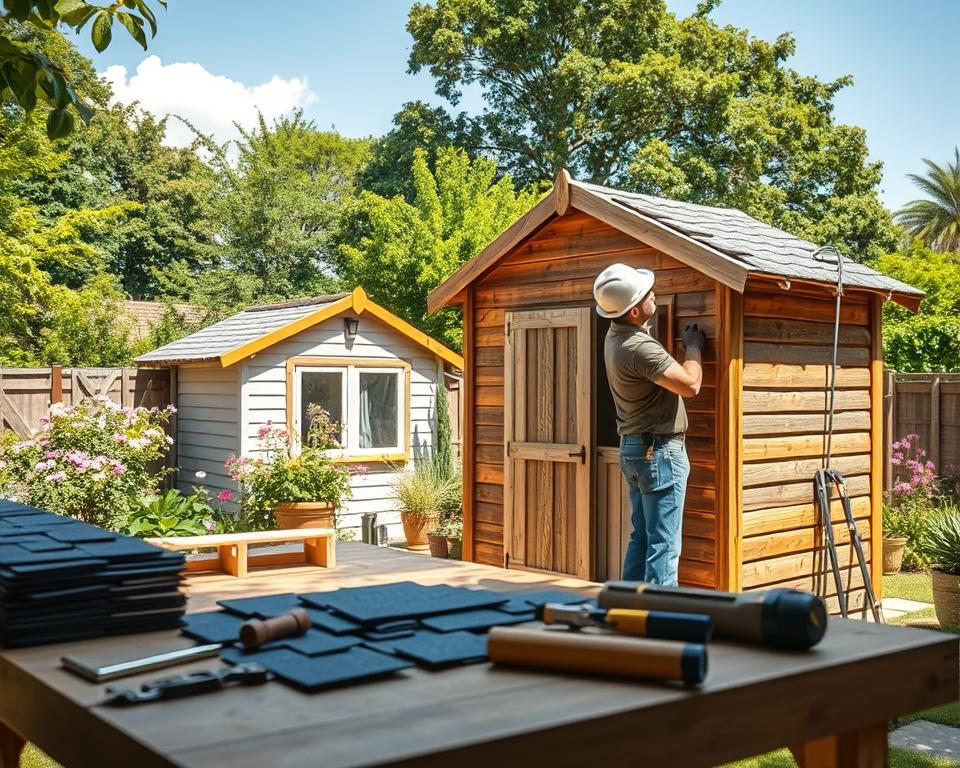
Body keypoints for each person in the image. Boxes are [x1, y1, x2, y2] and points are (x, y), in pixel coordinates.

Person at [593, 263, 705, 585]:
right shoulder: (639, 348)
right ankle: (658, 613)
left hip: (635, 448)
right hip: (659, 452)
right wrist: (693, 348)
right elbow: (690, 385)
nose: (653, 294)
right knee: (664, 545)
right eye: (646, 294)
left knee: (642, 538)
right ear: (632, 311)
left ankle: (625, 606)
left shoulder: (615, 336)